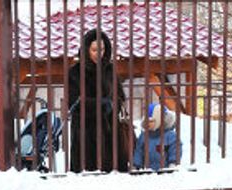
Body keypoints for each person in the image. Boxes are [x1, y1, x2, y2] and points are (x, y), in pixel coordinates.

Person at [68, 27, 129, 173]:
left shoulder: (110, 69)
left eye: (101, 49)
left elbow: (120, 95)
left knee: (113, 176)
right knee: (88, 175)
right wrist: (100, 104)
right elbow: (74, 103)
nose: (99, 54)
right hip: (86, 131)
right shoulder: (75, 72)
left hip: (111, 130)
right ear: (86, 49)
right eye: (94, 50)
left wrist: (114, 103)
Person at [133, 102, 182, 171]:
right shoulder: (143, 136)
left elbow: (175, 149)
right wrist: (136, 165)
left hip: (166, 171)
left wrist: (173, 163)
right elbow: (139, 151)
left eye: (151, 121)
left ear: (160, 121)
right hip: (148, 172)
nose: (148, 124)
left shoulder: (170, 136)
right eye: (146, 121)